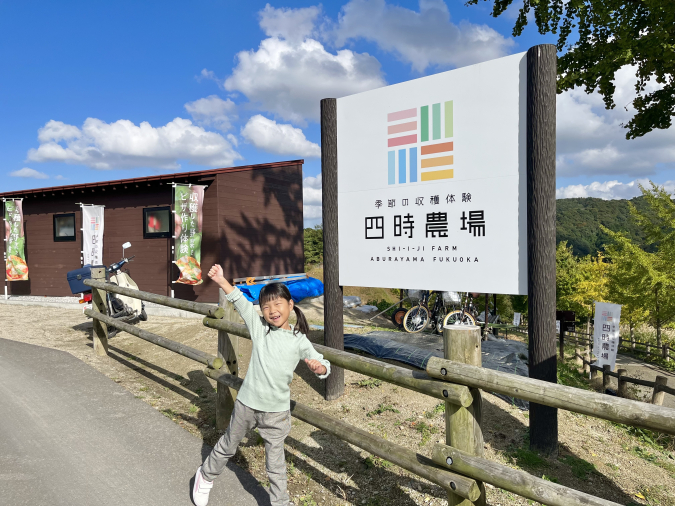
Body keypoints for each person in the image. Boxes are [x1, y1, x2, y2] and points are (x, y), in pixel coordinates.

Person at [192, 265, 330, 506]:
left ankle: (281, 503)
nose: (272, 310)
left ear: (290, 305)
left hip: (277, 412)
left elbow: (323, 363)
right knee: (228, 445)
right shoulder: (260, 329)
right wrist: (222, 280)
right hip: (247, 404)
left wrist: (319, 368)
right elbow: (241, 303)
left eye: (278, 304)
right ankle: (205, 476)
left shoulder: (299, 340)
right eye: (266, 306)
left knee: (276, 464)